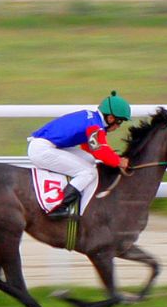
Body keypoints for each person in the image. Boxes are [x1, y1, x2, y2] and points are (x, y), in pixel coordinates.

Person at [27, 91, 130, 219]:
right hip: (42, 150)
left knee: (90, 160)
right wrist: (119, 161)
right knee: (88, 172)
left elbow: (91, 150)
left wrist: (111, 158)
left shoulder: (92, 118)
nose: (119, 127)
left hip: (46, 146)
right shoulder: (95, 126)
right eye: (120, 122)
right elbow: (100, 151)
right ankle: (59, 207)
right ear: (111, 118)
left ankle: (79, 201)